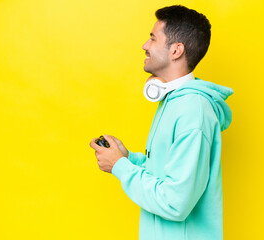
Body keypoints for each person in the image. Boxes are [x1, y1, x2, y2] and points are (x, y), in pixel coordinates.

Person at [90, 5, 233, 240]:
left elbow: (175, 203)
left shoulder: (192, 111)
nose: (145, 46)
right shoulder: (173, 102)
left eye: (153, 39)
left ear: (176, 50)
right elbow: (167, 176)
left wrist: (120, 167)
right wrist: (128, 159)